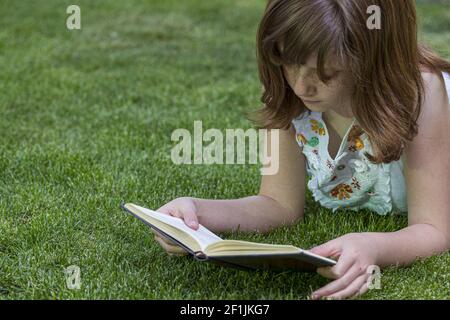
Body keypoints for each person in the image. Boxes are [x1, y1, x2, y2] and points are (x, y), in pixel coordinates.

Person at [152, 0, 450, 299]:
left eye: (327, 73)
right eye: (289, 63)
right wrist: (197, 212)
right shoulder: (291, 95)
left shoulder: (420, 95)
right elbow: (277, 203)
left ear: (374, 59)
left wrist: (372, 246)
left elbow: (433, 230)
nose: (301, 86)